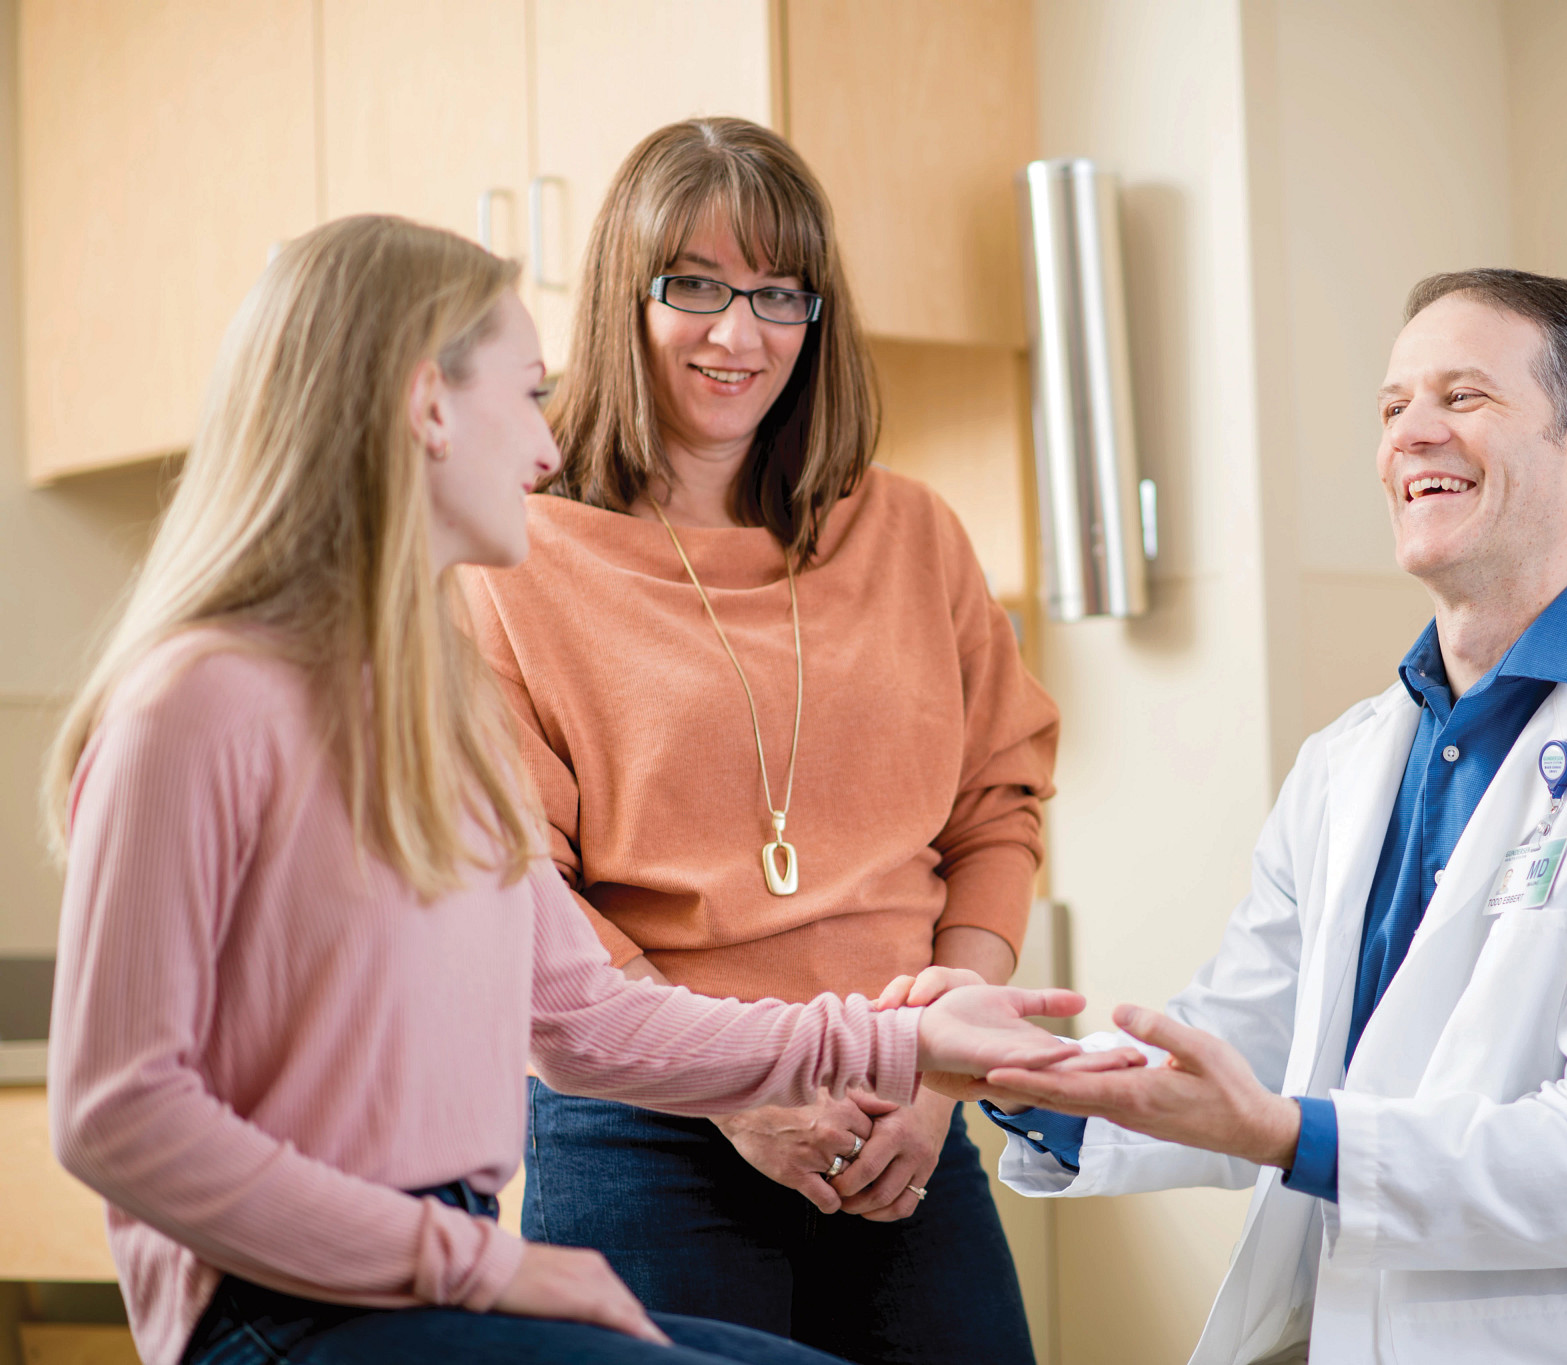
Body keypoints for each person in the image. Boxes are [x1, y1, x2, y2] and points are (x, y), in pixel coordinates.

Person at [39, 215, 1093, 1365]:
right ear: (428, 408)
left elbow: (587, 1017)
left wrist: (900, 1042)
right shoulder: (195, 703)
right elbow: (115, 1116)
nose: (548, 453)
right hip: (280, 1306)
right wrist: (487, 1265)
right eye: (530, 395)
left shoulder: (423, 711)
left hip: (439, 1268)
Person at [968, 270, 1567, 1363]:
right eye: (1390, 407)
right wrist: (1012, 1074)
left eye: (1461, 397)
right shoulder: (1345, 765)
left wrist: (1287, 1133)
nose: (1409, 434)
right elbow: (1245, 1048)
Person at [461, 119, 1057, 1362]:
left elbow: (996, 799)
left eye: (778, 294)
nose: (739, 336)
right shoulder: (510, 553)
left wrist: (943, 1055)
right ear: (625, 295)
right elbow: (526, 892)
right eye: (696, 285)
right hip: (642, 1133)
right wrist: (734, 1086)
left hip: (902, 1117)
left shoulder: (911, 533)